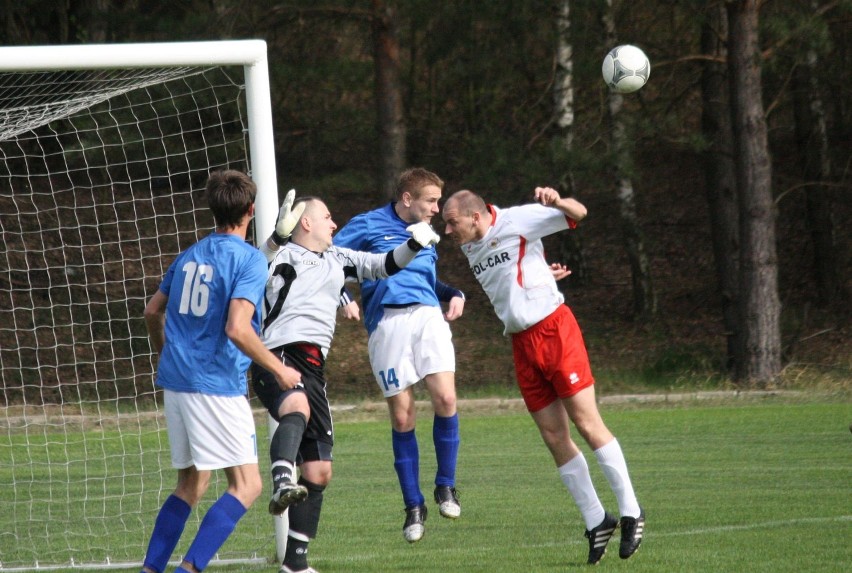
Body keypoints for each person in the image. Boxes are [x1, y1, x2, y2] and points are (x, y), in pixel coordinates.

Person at [441, 187, 645, 564]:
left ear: (475, 216)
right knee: (553, 435)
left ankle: (632, 510)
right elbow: (512, 274)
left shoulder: (518, 219)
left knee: (587, 422)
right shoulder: (470, 245)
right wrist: (541, 273)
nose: (448, 232)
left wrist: (557, 201)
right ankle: (597, 519)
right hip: (521, 343)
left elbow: (579, 213)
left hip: (554, 330)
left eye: (452, 223)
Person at [251, 195, 441, 573]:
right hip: (280, 354)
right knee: (297, 407)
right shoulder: (282, 254)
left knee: (320, 470)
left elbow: (385, 265)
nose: (334, 224)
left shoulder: (339, 258)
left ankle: (295, 564)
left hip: (314, 366)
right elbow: (256, 266)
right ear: (305, 223)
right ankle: (281, 477)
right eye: (327, 216)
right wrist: (275, 238)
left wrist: (415, 243)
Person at [140, 170, 301, 573]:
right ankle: (188, 570)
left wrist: (166, 353)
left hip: (176, 382)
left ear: (213, 209)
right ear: (251, 210)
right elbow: (237, 328)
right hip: (215, 385)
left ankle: (151, 569)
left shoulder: (190, 254)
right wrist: (279, 370)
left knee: (192, 483)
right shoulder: (248, 260)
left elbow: (151, 311)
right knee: (248, 486)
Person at [332, 168, 464, 543]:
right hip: (387, 323)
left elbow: (425, 280)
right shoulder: (367, 224)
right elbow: (330, 262)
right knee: (404, 416)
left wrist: (453, 292)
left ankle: (446, 486)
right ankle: (413, 507)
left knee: (446, 397)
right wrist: (344, 296)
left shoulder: (426, 233)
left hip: (427, 315)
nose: (437, 208)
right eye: (431, 200)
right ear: (407, 198)